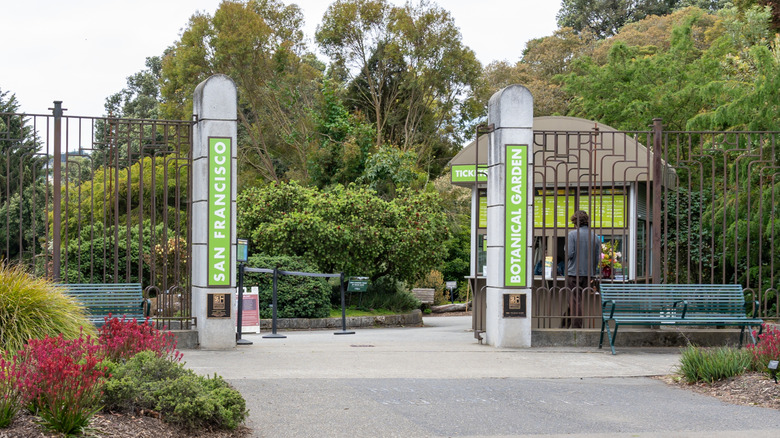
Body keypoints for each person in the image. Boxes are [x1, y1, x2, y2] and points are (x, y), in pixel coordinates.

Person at [565, 210, 601, 328]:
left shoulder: (572, 235)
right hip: (589, 274)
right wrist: (593, 272)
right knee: (574, 301)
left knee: (575, 301)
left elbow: (569, 254)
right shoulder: (595, 236)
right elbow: (597, 258)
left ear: (576, 222)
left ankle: (577, 327)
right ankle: (564, 324)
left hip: (574, 273)